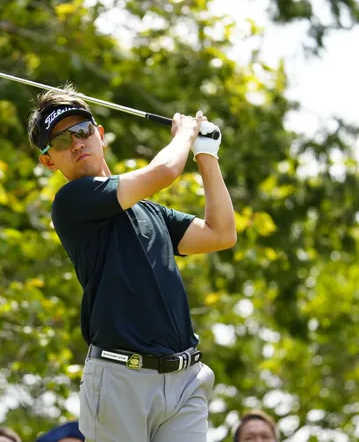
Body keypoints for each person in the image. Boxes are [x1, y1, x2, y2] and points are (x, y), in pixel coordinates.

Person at [27, 85, 237, 441]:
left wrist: (206, 154)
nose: (76, 143)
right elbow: (165, 171)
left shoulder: (150, 212)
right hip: (120, 378)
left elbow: (221, 233)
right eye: (61, 140)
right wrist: (185, 134)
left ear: (100, 135)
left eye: (82, 131)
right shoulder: (72, 202)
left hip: (185, 378)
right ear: (49, 161)